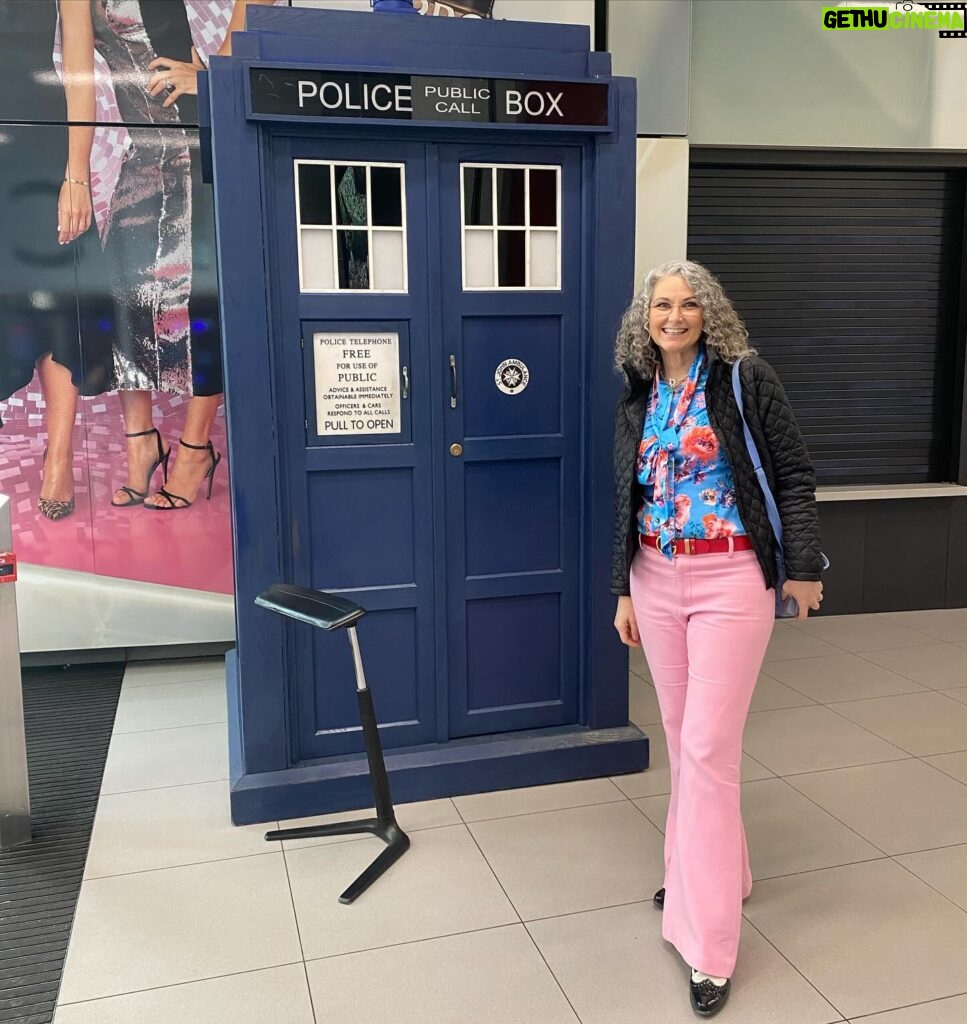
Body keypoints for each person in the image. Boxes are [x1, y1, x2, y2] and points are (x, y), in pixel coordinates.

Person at [611, 260, 824, 1017]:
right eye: (661, 304)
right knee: (683, 739)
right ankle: (716, 873)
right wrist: (622, 589)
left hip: (732, 576)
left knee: (704, 749)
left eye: (688, 304)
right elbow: (625, 496)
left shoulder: (742, 378)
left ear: (709, 313)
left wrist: (800, 568)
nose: (674, 316)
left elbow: (792, 474)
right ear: (645, 318)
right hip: (655, 576)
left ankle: (706, 943)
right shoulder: (640, 392)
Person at [58, 0, 272, 511]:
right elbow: (79, 72)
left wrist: (215, 71)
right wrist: (77, 173)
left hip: (204, 144)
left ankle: (196, 449)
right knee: (125, 300)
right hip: (140, 153)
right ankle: (142, 444)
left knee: (205, 306)